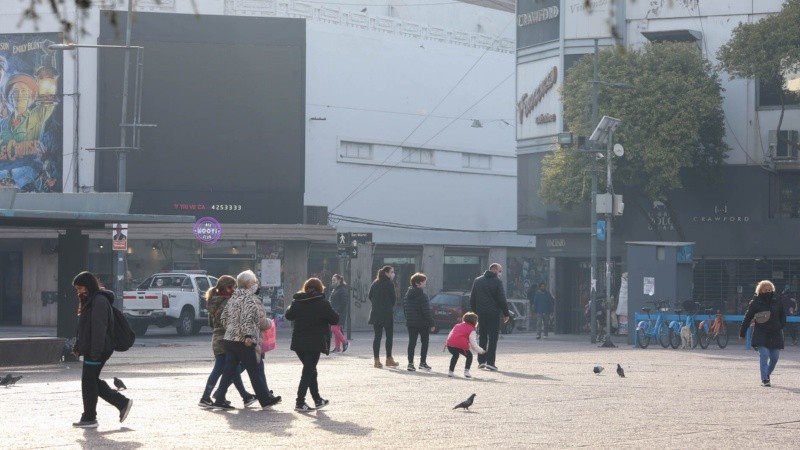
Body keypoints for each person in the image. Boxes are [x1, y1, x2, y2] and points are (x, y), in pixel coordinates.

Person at [71, 271, 133, 428]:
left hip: (98, 349)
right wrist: (80, 345)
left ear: (88, 286)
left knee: (88, 381)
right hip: (95, 348)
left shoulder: (98, 301)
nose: (79, 292)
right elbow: (85, 329)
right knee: (91, 380)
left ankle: (90, 417)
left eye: (80, 288)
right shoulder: (91, 300)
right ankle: (120, 403)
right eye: (77, 289)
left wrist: (94, 352)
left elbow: (99, 329)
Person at [212, 270, 281, 410]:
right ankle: (265, 400)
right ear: (249, 284)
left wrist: (232, 329)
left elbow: (224, 318)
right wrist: (248, 336)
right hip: (244, 341)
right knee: (254, 371)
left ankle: (219, 399)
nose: (256, 284)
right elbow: (249, 319)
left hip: (230, 339)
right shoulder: (249, 298)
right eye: (255, 282)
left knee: (229, 370)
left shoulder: (234, 297)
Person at [198, 275, 257, 408]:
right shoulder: (229, 302)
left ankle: (244, 396)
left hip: (217, 339)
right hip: (228, 339)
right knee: (222, 368)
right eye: (234, 287)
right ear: (227, 287)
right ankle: (206, 397)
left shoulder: (213, 301)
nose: (235, 289)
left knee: (232, 369)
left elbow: (211, 323)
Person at [285, 277, 339, 412]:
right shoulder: (322, 303)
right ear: (320, 289)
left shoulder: (297, 301)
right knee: (308, 372)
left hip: (299, 343)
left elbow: (288, 316)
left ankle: (317, 400)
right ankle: (300, 402)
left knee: (311, 371)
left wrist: (292, 305)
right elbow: (335, 319)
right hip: (314, 343)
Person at [739, 280, 787, 387]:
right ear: (760, 290)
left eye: (770, 289)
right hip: (761, 332)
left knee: (774, 358)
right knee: (764, 354)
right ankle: (764, 379)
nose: (768, 291)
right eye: (765, 290)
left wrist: (781, 325)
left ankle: (767, 374)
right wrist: (742, 333)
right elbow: (747, 318)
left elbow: (783, 314)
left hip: (776, 332)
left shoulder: (777, 300)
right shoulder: (755, 302)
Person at [469, 263, 509, 371]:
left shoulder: (477, 280)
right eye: (499, 271)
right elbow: (501, 299)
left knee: (482, 336)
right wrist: (506, 313)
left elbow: (472, 298)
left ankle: (481, 361)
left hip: (481, 313)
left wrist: (475, 312)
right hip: (493, 313)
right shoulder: (497, 282)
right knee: (493, 338)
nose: (500, 273)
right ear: (494, 269)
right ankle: (490, 362)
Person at [368, 265, 399, 368]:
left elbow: (370, 296)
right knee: (389, 336)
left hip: (376, 313)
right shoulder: (389, 284)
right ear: (386, 273)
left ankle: (376, 360)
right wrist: (388, 305)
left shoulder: (375, 283)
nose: (393, 274)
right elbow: (393, 298)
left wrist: (376, 304)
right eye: (391, 272)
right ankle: (389, 359)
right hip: (387, 313)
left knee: (377, 337)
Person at [403, 272, 434, 371]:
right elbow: (426, 311)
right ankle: (422, 363)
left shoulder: (407, 295)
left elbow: (405, 309)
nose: (425, 283)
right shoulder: (422, 295)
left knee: (412, 343)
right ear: (417, 283)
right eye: (424, 282)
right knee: (424, 342)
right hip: (422, 323)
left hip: (411, 323)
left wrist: (408, 319)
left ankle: (410, 364)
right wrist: (431, 323)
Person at [445, 312, 486, 378]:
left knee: (455, 355)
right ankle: (466, 372)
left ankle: (450, 372)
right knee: (469, 356)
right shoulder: (471, 330)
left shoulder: (457, 325)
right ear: (475, 321)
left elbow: (451, 334)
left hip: (449, 344)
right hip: (460, 345)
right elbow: (474, 345)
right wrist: (481, 351)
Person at [329, 274, 350, 353]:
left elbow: (344, 302)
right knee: (337, 330)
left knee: (334, 329)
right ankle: (337, 348)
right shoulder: (335, 289)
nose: (333, 282)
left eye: (334, 280)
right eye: (332, 280)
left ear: (339, 280)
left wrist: (337, 310)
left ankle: (345, 342)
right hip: (334, 312)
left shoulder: (342, 290)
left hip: (339, 313)